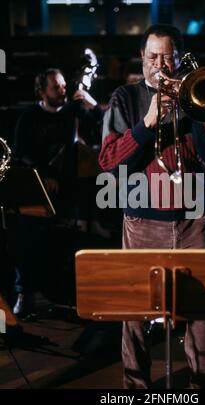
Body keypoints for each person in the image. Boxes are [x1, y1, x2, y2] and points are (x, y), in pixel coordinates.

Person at [99, 24, 205, 388]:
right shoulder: (124, 97)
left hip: (193, 221)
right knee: (135, 315)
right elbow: (109, 162)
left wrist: (196, 109)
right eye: (152, 56)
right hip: (142, 221)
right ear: (142, 59)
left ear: (178, 58)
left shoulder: (199, 93)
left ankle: (202, 383)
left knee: (203, 313)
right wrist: (148, 122)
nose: (160, 64)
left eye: (167, 56)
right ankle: (136, 387)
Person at [11, 68, 105, 316]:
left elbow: (105, 124)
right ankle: (25, 292)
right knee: (27, 233)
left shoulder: (74, 111)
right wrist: (44, 175)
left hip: (70, 187)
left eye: (63, 86)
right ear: (42, 91)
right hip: (40, 186)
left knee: (76, 236)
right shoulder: (30, 117)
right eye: (56, 88)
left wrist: (92, 104)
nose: (62, 91)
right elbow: (20, 154)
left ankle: (74, 293)